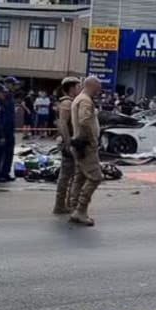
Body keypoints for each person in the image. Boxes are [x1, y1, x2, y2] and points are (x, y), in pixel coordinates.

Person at [68, 76, 103, 225]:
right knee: (95, 177)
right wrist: (93, 140)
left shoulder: (79, 98)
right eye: (98, 87)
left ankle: (74, 206)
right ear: (92, 86)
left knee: (80, 176)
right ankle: (80, 210)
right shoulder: (85, 101)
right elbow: (84, 121)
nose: (100, 90)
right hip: (86, 145)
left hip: (79, 144)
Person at [53, 77, 81, 215]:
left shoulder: (70, 103)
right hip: (68, 143)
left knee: (70, 175)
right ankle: (60, 205)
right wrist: (68, 142)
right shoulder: (66, 103)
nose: (79, 89)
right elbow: (62, 124)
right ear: (71, 88)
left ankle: (67, 204)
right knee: (66, 176)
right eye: (78, 86)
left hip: (70, 142)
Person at [0, 77, 19, 182]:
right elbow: (2, 115)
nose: (16, 87)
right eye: (14, 84)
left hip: (10, 128)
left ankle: (5, 172)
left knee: (9, 152)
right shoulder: (3, 96)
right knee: (2, 152)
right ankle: (0, 173)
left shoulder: (10, 96)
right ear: (7, 84)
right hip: (4, 128)